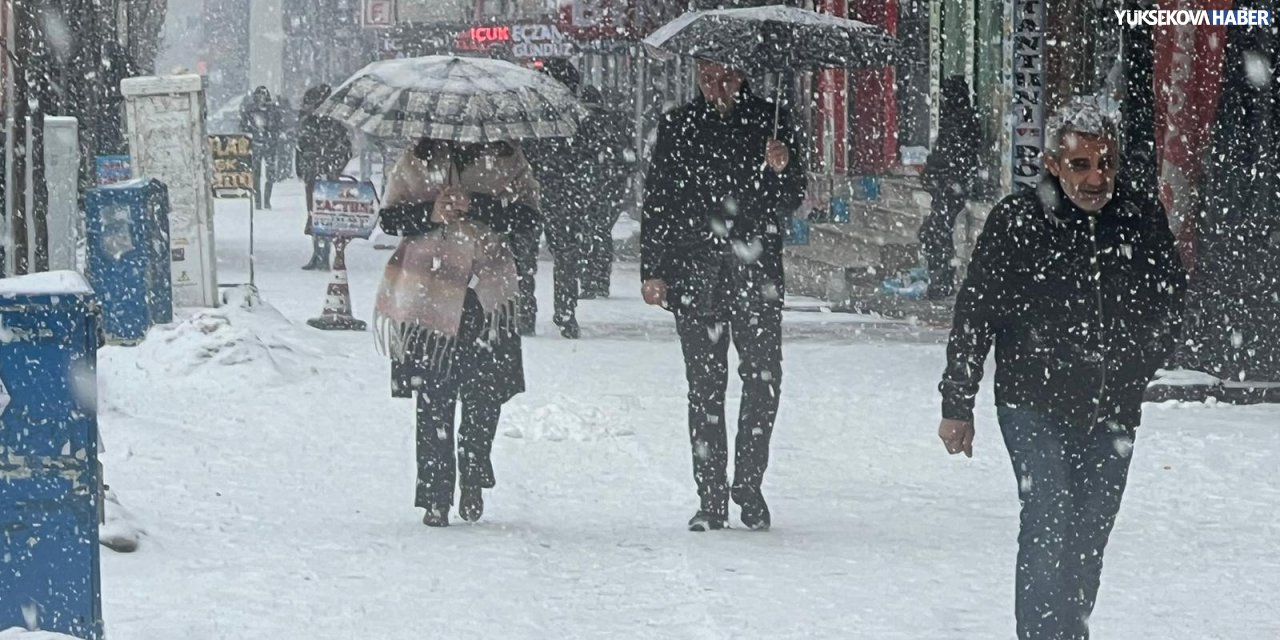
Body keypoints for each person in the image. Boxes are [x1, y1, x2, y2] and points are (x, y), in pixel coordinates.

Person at [936, 98, 1186, 639]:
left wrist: (1137, 362)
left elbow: (1170, 301)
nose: (1096, 178)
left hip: (1112, 407)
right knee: (1047, 518)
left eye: (1106, 164)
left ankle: (1071, 630)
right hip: (1032, 403)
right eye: (1080, 165)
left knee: (1089, 535)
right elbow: (975, 314)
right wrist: (958, 403)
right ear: (1052, 163)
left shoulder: (1139, 219)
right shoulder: (1018, 222)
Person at [641, 60, 806, 532]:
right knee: (705, 387)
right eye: (708, 76)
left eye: (727, 76)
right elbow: (659, 200)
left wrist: (782, 167)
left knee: (763, 378)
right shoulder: (679, 125)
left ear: (743, 74)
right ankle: (710, 495)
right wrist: (654, 269)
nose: (717, 86)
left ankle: (748, 484)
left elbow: (792, 196)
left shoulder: (772, 119)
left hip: (756, 269)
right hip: (696, 270)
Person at [376, 138, 539, 527]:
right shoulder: (417, 160)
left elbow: (529, 218)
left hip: (486, 295)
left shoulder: (506, 158)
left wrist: (477, 205)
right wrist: (431, 212)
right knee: (433, 395)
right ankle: (435, 494)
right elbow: (390, 219)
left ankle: (473, 471)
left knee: (485, 395)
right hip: (428, 294)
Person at [521, 61, 587, 339]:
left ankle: (525, 312)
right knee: (566, 255)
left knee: (524, 257)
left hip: (527, 192)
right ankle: (566, 313)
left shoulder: (524, 112)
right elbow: (584, 156)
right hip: (562, 192)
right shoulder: (574, 115)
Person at [918, 76, 982, 299]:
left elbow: (951, 155)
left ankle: (941, 280)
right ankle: (940, 278)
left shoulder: (960, 121)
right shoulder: (957, 119)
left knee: (935, 232)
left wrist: (939, 175)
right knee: (934, 232)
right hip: (948, 187)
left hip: (951, 188)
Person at [576, 86, 635, 299]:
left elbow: (576, 156)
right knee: (602, 233)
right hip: (611, 189)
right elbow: (630, 158)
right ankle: (601, 281)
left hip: (587, 187)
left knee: (586, 233)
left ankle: (589, 281)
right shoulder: (614, 124)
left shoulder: (581, 124)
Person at [295, 84, 352, 271]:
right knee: (317, 214)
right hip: (316, 175)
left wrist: (330, 167)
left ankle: (323, 253)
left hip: (324, 176)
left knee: (323, 214)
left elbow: (344, 150)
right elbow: (301, 147)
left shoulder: (330, 124)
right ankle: (318, 252)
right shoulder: (313, 122)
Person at [240, 86, 283, 209]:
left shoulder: (272, 110)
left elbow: (279, 125)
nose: (261, 98)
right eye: (259, 95)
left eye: (263, 95)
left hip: (269, 145)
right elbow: (243, 126)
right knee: (256, 174)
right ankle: (258, 201)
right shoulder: (250, 110)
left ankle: (267, 200)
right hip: (256, 145)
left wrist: (273, 134)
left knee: (270, 174)